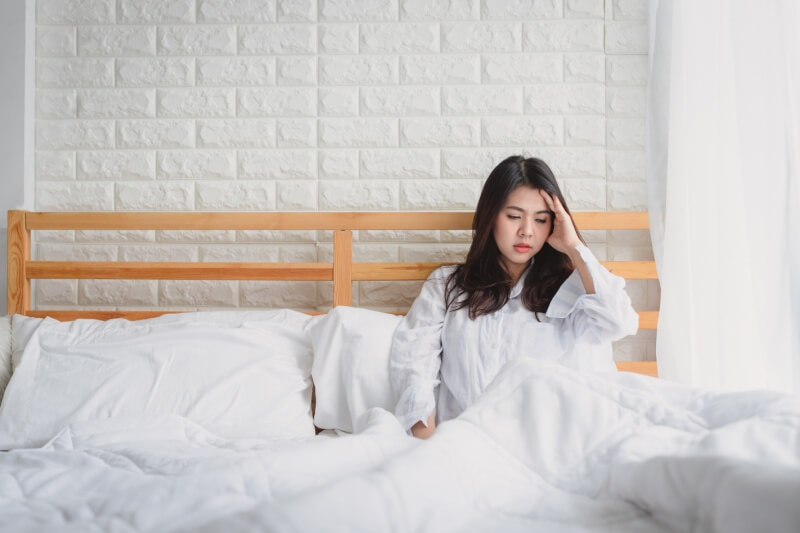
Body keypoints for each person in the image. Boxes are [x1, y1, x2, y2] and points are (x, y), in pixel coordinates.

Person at [389, 155, 639, 439]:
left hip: (546, 448)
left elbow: (618, 322)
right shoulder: (446, 286)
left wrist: (573, 246)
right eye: (514, 216)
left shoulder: (573, 292)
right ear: (491, 216)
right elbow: (413, 367)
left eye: (541, 219)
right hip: (462, 445)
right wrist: (427, 447)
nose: (527, 231)